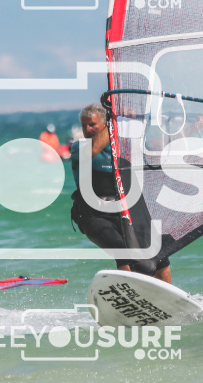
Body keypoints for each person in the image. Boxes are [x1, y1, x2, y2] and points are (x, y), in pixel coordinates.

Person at [69, 103, 170, 283]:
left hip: (122, 212)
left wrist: (192, 128)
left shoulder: (121, 147)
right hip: (92, 215)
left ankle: (165, 296)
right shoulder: (79, 148)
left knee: (159, 256)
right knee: (122, 250)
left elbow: (157, 146)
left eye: (92, 124)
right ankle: (129, 293)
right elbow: (94, 150)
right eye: (84, 125)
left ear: (103, 124)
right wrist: (113, 121)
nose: (87, 129)